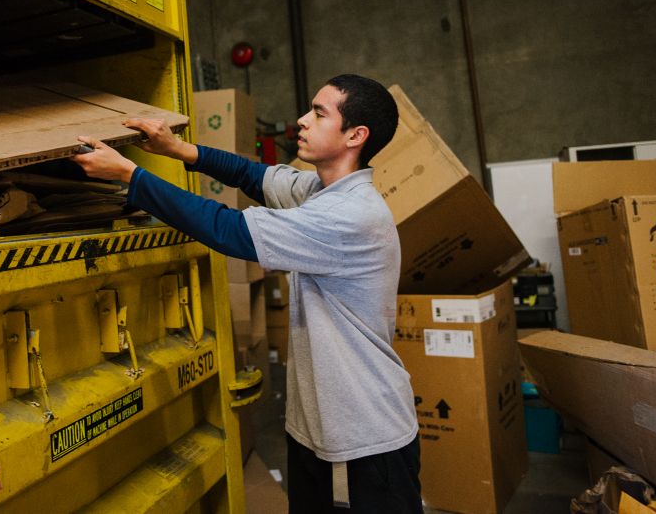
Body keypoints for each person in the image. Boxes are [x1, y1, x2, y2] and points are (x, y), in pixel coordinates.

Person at [72, 74, 421, 513]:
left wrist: (132, 177)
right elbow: (253, 176)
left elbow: (228, 230)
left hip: (363, 439)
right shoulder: (318, 191)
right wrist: (180, 151)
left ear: (355, 135)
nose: (301, 121)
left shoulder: (350, 215)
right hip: (317, 429)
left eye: (318, 113)